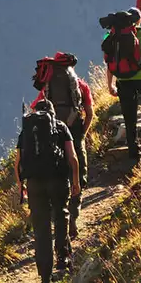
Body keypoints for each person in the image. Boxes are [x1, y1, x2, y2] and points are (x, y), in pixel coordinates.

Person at [14, 99, 81, 283]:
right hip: (57, 179)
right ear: (52, 112)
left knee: (41, 228)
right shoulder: (60, 127)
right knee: (60, 214)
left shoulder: (26, 131)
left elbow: (18, 162)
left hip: (34, 182)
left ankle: (45, 275)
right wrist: (75, 181)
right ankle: (62, 256)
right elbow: (73, 158)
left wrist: (21, 185)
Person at [30, 52, 94, 240]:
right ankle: (73, 217)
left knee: (58, 174)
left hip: (53, 135)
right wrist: (82, 132)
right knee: (78, 171)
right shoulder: (81, 85)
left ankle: (59, 215)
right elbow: (89, 113)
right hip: (74, 131)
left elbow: (35, 109)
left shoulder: (47, 88)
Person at [102, 8, 141, 159]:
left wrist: (110, 85)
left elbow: (109, 63)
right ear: (138, 20)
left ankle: (132, 149)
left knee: (129, 115)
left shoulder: (111, 35)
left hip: (123, 80)